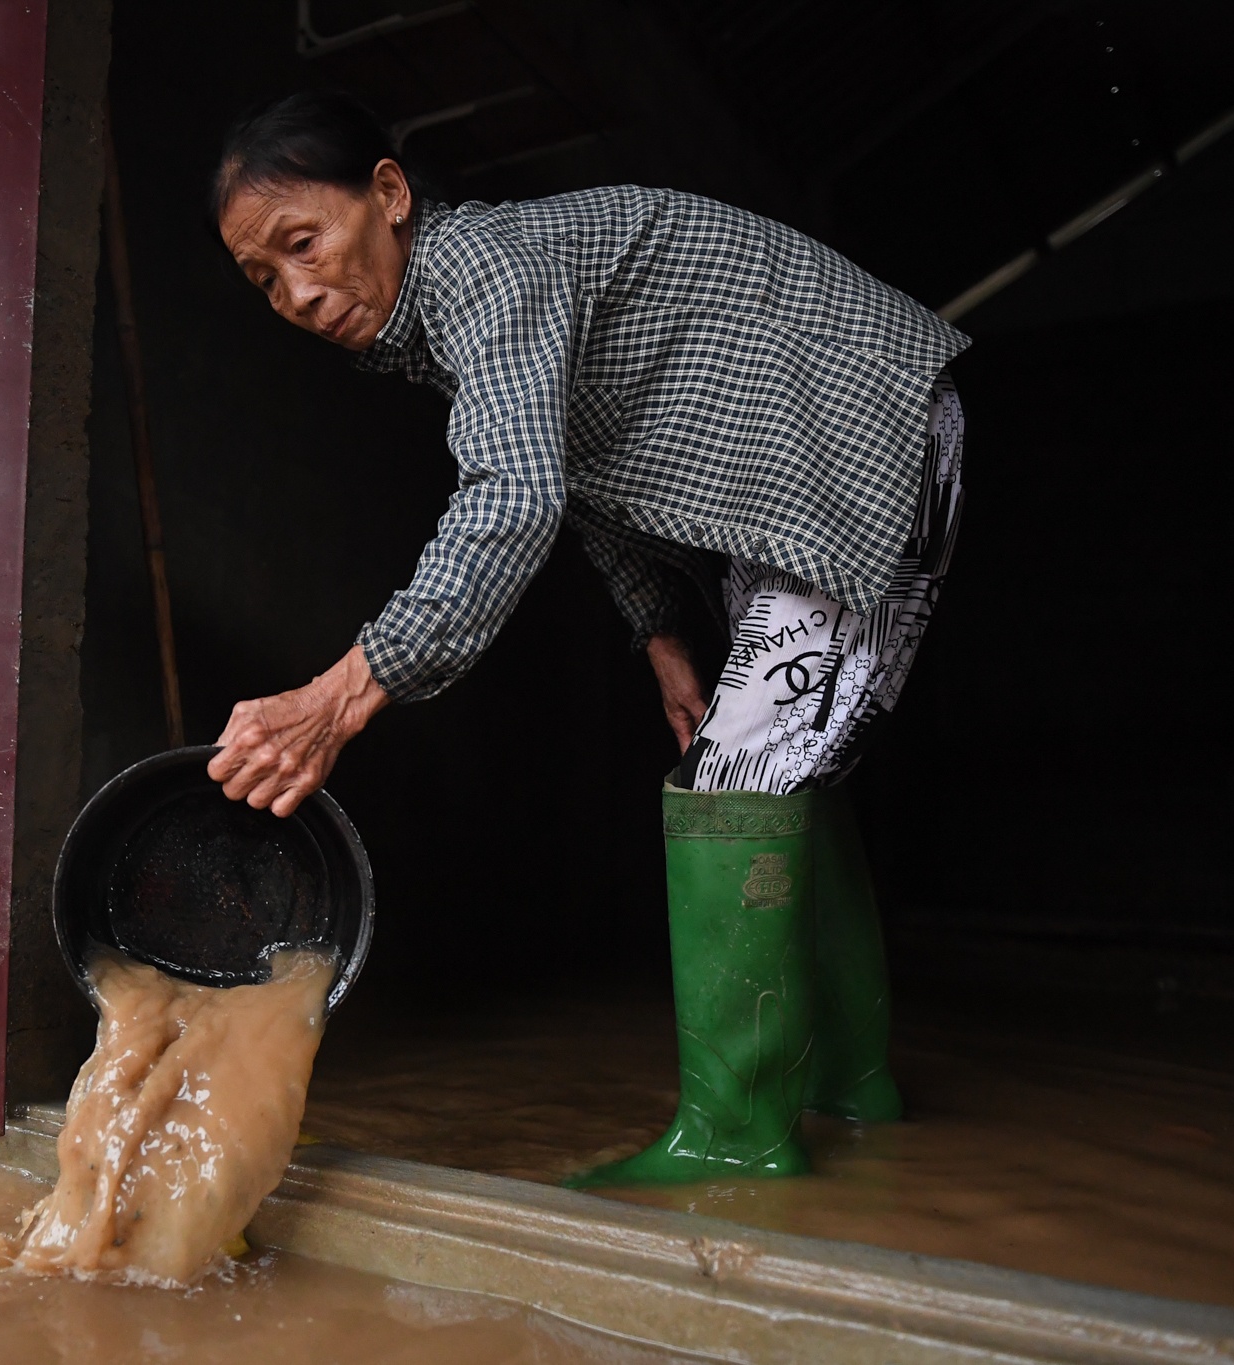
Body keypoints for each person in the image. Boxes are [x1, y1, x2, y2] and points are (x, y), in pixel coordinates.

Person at [205, 92, 966, 1181]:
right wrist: (659, 635)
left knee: (735, 775)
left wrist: (341, 693)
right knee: (775, 771)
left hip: (854, 432)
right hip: (787, 472)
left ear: (386, 193)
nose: (299, 292)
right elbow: (578, 481)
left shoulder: (482, 270)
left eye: (302, 242)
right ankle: (848, 1086)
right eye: (263, 280)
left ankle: (736, 1138)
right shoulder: (452, 313)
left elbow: (511, 497)